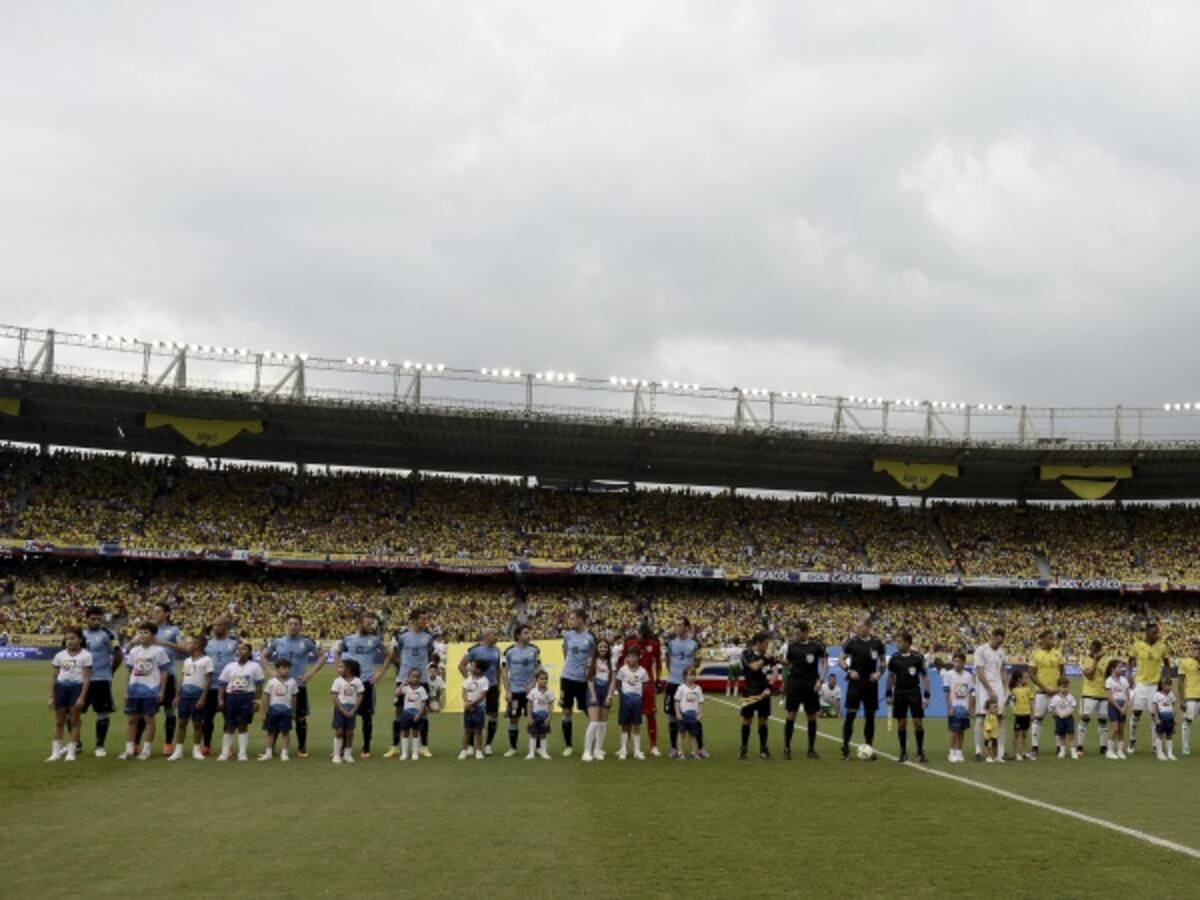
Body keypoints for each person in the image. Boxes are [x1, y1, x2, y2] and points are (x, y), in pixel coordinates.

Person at [263, 614, 325, 758]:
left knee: (300, 717)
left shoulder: (307, 642)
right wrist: (272, 672)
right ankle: (270, 749)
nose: (293, 626)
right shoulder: (278, 642)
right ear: (286, 625)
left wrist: (310, 673)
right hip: (280, 686)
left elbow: (322, 657)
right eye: (290, 623)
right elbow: (263, 656)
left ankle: (301, 748)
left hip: (298, 685)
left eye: (296, 624)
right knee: (276, 714)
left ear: (301, 626)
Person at [383, 608, 436, 758]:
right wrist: (402, 666)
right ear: (413, 620)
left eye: (427, 619)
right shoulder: (402, 636)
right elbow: (393, 654)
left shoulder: (428, 637)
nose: (426, 622)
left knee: (423, 713)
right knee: (399, 712)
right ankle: (395, 746)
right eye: (423, 619)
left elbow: (431, 654)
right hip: (404, 679)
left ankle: (423, 746)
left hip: (422, 679)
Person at [335, 614, 385, 758]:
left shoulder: (375, 640)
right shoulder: (348, 639)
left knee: (367, 716)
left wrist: (380, 672)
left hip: (366, 682)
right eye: (367, 623)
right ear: (359, 623)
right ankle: (343, 747)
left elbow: (388, 654)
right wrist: (339, 668)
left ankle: (366, 747)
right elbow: (338, 651)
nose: (370, 626)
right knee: (346, 714)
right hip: (349, 683)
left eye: (371, 624)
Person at [119, 622, 171, 761]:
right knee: (132, 720)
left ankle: (146, 750)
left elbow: (164, 671)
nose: (142, 635)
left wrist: (162, 690)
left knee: (149, 720)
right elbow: (129, 672)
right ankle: (129, 750)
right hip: (134, 689)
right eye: (140, 632)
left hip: (151, 690)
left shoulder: (159, 651)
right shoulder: (134, 651)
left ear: (153, 635)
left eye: (146, 632)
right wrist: (126, 691)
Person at [81, 605, 123, 757]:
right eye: (93, 619)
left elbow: (118, 654)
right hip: (80, 680)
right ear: (87, 619)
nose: (96, 622)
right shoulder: (80, 634)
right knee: (73, 711)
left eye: (99, 619)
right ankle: (76, 743)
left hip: (101, 679)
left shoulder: (108, 634)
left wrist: (111, 671)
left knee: (102, 712)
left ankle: (99, 746)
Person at [840, 617, 884, 761]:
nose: (857, 629)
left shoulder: (877, 643)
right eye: (857, 627)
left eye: (859, 626)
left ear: (867, 627)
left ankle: (869, 748)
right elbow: (841, 659)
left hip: (871, 684)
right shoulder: (852, 642)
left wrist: (879, 673)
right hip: (855, 684)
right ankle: (845, 747)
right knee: (850, 715)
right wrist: (849, 671)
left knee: (870, 717)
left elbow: (883, 663)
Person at [47, 626, 92, 763]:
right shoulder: (60, 655)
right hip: (61, 688)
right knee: (59, 721)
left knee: (74, 721)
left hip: (76, 689)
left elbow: (86, 678)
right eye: (67, 639)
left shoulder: (86, 655)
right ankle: (55, 753)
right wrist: (51, 696)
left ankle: (71, 752)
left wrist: (82, 697)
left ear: (80, 639)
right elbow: (54, 677)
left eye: (73, 638)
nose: (69, 642)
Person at [782, 621, 826, 760]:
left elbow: (825, 662)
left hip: (811, 684)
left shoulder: (816, 646)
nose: (796, 635)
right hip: (794, 683)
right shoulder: (792, 646)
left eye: (798, 632)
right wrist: (778, 660)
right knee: (791, 715)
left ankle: (811, 749)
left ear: (806, 632)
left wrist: (820, 680)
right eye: (795, 632)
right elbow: (788, 663)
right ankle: (787, 748)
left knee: (811, 716)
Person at [885, 631, 930, 764]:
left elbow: (925, 676)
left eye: (899, 641)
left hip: (914, 692)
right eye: (897, 641)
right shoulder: (894, 657)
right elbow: (891, 676)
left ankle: (920, 751)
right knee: (902, 723)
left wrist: (926, 695)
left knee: (918, 723)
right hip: (899, 692)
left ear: (907, 643)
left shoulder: (918, 657)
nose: (897, 644)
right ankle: (903, 752)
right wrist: (888, 693)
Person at [216, 641, 264, 762]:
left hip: (247, 697)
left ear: (249, 652)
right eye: (239, 649)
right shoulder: (230, 666)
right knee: (230, 725)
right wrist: (220, 700)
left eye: (244, 649)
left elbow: (259, 686)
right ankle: (224, 752)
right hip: (231, 697)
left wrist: (257, 701)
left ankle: (242, 753)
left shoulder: (255, 666)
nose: (240, 651)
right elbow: (222, 684)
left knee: (243, 724)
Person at [665, 617, 705, 759]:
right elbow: (668, 659)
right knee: (672, 717)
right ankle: (674, 748)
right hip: (673, 683)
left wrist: (689, 672)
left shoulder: (694, 644)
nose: (677, 628)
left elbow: (698, 662)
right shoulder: (671, 643)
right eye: (675, 625)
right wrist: (674, 673)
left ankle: (700, 749)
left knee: (694, 716)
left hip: (689, 686)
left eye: (680, 625)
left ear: (687, 627)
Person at [458, 627, 501, 755]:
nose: (496, 637)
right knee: (473, 713)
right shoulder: (474, 649)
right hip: (477, 688)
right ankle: (470, 745)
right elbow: (461, 665)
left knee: (492, 715)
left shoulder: (497, 651)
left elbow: (498, 669)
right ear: (487, 636)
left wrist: (498, 684)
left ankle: (488, 745)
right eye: (494, 634)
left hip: (492, 687)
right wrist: (471, 681)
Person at [1128, 622, 1169, 754]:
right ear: (1147, 633)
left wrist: (1165, 679)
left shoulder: (1162, 646)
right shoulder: (1137, 645)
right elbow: (1129, 659)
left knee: (1155, 714)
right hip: (1140, 684)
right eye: (1154, 633)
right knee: (1136, 713)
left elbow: (1167, 663)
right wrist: (1129, 674)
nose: (1157, 635)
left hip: (1155, 685)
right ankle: (1132, 740)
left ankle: (1155, 744)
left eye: (1157, 632)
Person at [560, 609, 596, 758]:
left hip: (583, 681)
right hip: (567, 678)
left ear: (581, 619)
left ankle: (592, 745)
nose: (571, 621)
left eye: (573, 618)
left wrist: (588, 672)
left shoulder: (590, 638)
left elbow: (592, 657)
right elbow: (565, 651)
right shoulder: (568, 636)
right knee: (566, 711)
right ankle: (568, 745)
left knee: (589, 713)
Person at [500, 625, 541, 758]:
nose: (529, 635)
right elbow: (504, 671)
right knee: (513, 719)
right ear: (518, 636)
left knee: (536, 718)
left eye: (529, 632)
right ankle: (513, 747)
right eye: (526, 633)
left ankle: (538, 747)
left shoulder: (535, 650)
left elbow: (538, 669)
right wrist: (507, 690)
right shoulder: (509, 651)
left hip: (531, 692)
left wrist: (533, 684)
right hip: (515, 691)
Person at [169, 637, 213, 761]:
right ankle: (178, 751)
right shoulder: (187, 660)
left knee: (197, 723)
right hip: (185, 695)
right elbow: (183, 678)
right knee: (182, 722)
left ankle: (196, 750)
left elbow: (209, 679)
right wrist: (177, 696)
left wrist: (203, 698)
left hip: (197, 694)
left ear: (199, 645)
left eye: (191, 643)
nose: (188, 645)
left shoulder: (207, 660)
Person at [201, 616, 239, 757]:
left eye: (220, 625)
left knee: (228, 719)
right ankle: (206, 746)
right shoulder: (207, 644)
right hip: (210, 686)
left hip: (229, 687)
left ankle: (227, 747)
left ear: (227, 627)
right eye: (214, 625)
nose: (216, 628)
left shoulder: (234, 644)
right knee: (206, 719)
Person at [623, 623, 663, 757]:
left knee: (650, 714)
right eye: (639, 634)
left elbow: (658, 662)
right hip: (631, 682)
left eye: (643, 636)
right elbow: (623, 660)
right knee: (628, 714)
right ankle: (625, 747)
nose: (639, 637)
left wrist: (658, 679)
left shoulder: (654, 644)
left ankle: (653, 746)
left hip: (647, 683)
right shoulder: (629, 642)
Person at [1027, 631, 1064, 760]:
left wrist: (1060, 688)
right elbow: (1031, 674)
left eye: (1053, 639)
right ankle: (1034, 747)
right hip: (1041, 693)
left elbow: (1062, 672)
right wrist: (1045, 688)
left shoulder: (1058, 653)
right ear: (1042, 639)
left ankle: (1060, 747)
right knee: (1037, 719)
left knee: (1058, 718)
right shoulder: (1036, 654)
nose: (1052, 641)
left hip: (1056, 693)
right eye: (1049, 639)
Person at [973, 629, 1008, 763]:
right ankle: (978, 750)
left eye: (1002, 641)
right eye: (998, 640)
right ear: (992, 637)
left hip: (998, 686)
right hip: (984, 687)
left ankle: (1000, 750)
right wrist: (989, 689)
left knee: (1000, 717)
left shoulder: (1002, 651)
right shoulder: (981, 650)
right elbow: (980, 672)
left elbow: (1003, 669)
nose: (1000, 643)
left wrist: (1006, 686)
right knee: (981, 718)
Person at [740, 631, 774, 761]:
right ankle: (743, 748)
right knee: (747, 720)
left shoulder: (768, 656)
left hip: (764, 692)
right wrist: (765, 658)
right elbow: (754, 667)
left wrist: (769, 687)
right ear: (758, 643)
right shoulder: (746, 654)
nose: (767, 646)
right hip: (750, 691)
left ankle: (763, 749)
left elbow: (775, 670)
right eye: (765, 644)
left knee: (763, 720)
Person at [258, 657, 298, 762]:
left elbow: (294, 698)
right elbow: (266, 697)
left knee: (285, 732)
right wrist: (263, 712)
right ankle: (268, 752)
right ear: (277, 669)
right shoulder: (272, 682)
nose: (286, 670)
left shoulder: (292, 682)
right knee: (270, 732)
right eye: (283, 668)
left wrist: (293, 711)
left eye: (288, 668)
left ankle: (284, 752)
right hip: (273, 710)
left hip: (286, 711)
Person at [1078, 639, 1111, 757]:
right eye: (1090, 649)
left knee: (1103, 720)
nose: (1091, 651)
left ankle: (1103, 747)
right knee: (1085, 718)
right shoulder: (1085, 659)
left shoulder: (1107, 660)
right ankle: (1079, 746)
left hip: (1103, 694)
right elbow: (1090, 676)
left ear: (1099, 650)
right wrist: (1095, 660)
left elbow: (1109, 676)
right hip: (1089, 693)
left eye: (1093, 650)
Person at [616, 646, 650, 760]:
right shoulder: (623, 670)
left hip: (637, 702)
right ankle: (623, 750)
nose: (631, 659)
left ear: (638, 657)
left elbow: (645, 685)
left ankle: (637, 751)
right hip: (625, 701)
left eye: (633, 657)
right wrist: (623, 695)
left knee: (636, 725)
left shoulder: (643, 671)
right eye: (629, 656)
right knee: (624, 725)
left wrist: (638, 695)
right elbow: (619, 683)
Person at [582, 637, 613, 762]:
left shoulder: (611, 661)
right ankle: (587, 751)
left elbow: (613, 680)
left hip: (605, 693)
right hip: (593, 692)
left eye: (605, 647)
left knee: (602, 723)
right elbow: (589, 679)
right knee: (594, 722)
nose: (603, 649)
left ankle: (598, 750)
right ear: (597, 648)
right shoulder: (591, 661)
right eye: (601, 646)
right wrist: (593, 695)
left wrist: (609, 695)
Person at [330, 658, 365, 765]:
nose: (338, 669)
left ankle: (348, 754)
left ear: (349, 669)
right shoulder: (337, 681)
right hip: (340, 708)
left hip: (352, 709)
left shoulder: (357, 681)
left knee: (350, 732)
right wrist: (342, 709)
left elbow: (360, 695)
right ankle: (336, 754)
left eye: (341, 667)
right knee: (339, 731)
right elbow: (334, 696)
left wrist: (354, 709)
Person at [942, 652, 973, 763]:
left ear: (964, 663)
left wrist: (970, 708)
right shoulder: (948, 675)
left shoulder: (968, 676)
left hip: (964, 707)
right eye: (955, 661)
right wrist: (949, 707)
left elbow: (971, 692)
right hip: (954, 707)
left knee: (961, 730)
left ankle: (959, 751)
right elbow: (946, 692)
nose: (957, 664)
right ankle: (951, 752)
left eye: (959, 661)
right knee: (954, 730)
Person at [394, 668, 428, 762]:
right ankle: (404, 753)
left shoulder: (421, 689)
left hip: (416, 713)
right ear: (409, 677)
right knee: (405, 732)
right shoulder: (406, 688)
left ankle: (415, 752)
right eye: (413, 676)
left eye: (417, 677)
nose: (415, 679)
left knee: (415, 732)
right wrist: (402, 684)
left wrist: (420, 714)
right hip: (406, 713)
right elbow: (397, 693)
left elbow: (423, 703)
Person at [459, 658, 489, 761]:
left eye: (473, 666)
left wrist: (473, 704)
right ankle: (464, 750)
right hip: (468, 707)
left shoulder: (484, 680)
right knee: (467, 729)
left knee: (478, 730)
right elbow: (464, 691)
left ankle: (479, 750)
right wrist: (466, 702)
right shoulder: (468, 679)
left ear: (479, 670)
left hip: (479, 708)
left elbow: (482, 695)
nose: (470, 667)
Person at [673, 666, 704, 759]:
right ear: (685, 676)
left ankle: (694, 753)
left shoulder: (698, 688)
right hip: (683, 715)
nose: (691, 677)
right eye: (689, 675)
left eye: (693, 675)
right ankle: (680, 752)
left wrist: (700, 713)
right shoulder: (681, 688)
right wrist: (678, 713)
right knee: (681, 734)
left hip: (693, 716)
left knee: (693, 735)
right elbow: (677, 701)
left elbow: (701, 702)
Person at [1175, 642, 1200, 756]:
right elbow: (1180, 682)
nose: (1196, 651)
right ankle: (1185, 745)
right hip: (1191, 696)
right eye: (1194, 649)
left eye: (1198, 649)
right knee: (1188, 721)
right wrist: (1181, 699)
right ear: (1190, 650)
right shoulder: (1184, 663)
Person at [526, 669, 555, 760]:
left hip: (544, 717)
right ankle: (531, 753)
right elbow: (529, 704)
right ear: (537, 680)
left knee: (543, 734)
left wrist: (549, 717)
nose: (544, 681)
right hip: (535, 716)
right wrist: (530, 717)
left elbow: (551, 705)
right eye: (541, 679)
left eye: (546, 679)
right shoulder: (533, 691)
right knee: (533, 734)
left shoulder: (549, 692)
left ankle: (544, 752)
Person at [1105, 659, 1130, 759]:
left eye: (1122, 667)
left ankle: (1119, 751)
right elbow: (1109, 697)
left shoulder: (1124, 680)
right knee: (1115, 728)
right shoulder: (1109, 681)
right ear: (1113, 669)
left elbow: (1127, 695)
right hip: (1114, 706)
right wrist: (1119, 708)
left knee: (1121, 730)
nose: (1121, 669)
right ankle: (1110, 751)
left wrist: (1125, 707)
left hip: (1123, 706)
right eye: (1119, 667)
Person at [1048, 678, 1078, 759]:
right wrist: (1057, 714)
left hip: (1069, 718)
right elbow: (1051, 708)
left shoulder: (1070, 697)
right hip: (1059, 719)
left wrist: (1067, 713)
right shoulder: (1055, 698)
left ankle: (1073, 751)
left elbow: (1073, 706)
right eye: (1063, 687)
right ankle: (1062, 751)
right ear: (1059, 687)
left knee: (1071, 734)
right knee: (1061, 735)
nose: (1065, 689)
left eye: (1067, 687)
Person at [1008, 669, 1033, 761]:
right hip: (1019, 715)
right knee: (1017, 735)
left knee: (1025, 735)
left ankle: (1025, 752)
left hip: (1026, 714)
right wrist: (1014, 710)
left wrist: (1032, 713)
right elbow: (1011, 702)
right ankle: (1016, 753)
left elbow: (1031, 702)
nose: (1027, 679)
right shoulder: (1014, 690)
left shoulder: (1028, 690)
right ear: (1019, 679)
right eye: (1025, 678)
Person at [1153, 677, 1178, 762]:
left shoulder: (1171, 695)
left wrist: (1174, 717)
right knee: (1160, 734)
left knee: (1169, 735)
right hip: (1161, 717)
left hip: (1170, 718)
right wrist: (1156, 718)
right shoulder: (1157, 695)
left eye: (1170, 685)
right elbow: (1155, 707)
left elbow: (1174, 705)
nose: (1169, 687)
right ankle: (1159, 753)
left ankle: (1170, 753)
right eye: (1166, 685)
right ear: (1162, 686)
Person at [983, 698, 1000, 762]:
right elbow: (988, 727)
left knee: (995, 745)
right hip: (989, 736)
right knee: (989, 746)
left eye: (996, 707)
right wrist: (989, 735)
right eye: (994, 708)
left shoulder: (994, 716)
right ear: (988, 709)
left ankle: (995, 756)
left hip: (995, 735)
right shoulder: (989, 717)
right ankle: (988, 757)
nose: (996, 709)